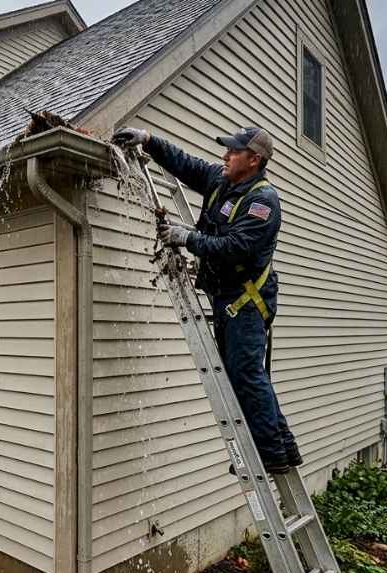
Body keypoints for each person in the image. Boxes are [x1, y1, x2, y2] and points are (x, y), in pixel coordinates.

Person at [112, 126, 301, 474]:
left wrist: (188, 238)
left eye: (233, 151)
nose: (225, 156)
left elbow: (235, 247)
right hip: (226, 296)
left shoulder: (262, 202)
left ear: (254, 159)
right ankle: (283, 447)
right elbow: (187, 165)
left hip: (246, 300)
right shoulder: (222, 181)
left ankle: (271, 455)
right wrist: (150, 140)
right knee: (246, 374)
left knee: (245, 375)